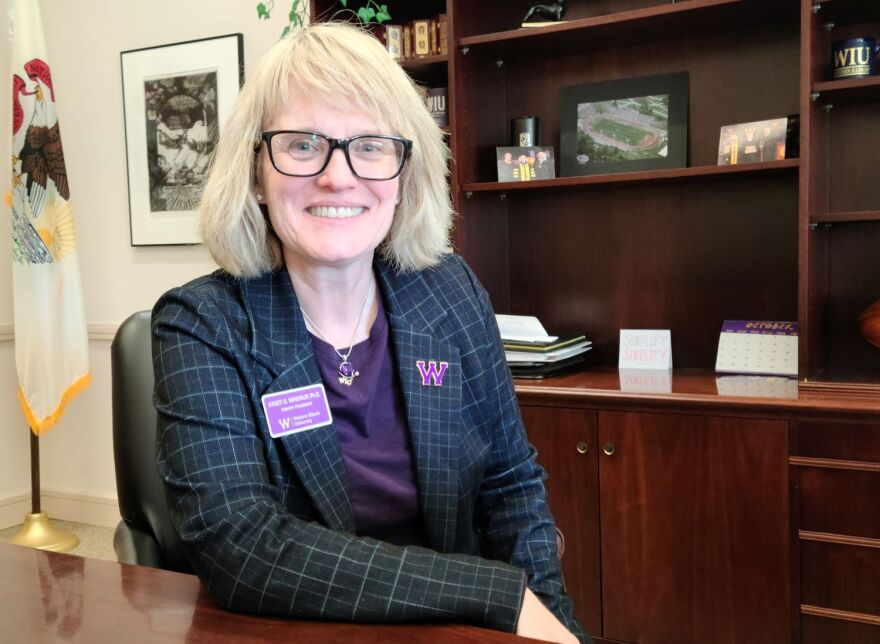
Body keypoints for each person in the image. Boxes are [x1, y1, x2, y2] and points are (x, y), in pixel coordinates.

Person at [152, 21, 586, 644]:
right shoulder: (203, 324)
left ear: (403, 172)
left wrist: (553, 623)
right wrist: (497, 596)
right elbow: (240, 543)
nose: (338, 175)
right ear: (254, 172)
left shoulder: (448, 291)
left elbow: (510, 485)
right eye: (302, 145)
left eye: (371, 146)